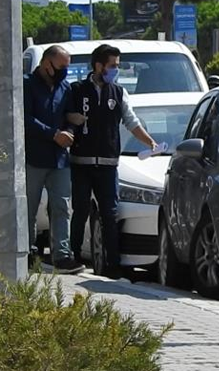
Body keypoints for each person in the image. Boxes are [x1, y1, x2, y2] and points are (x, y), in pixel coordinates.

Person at [66, 44, 158, 278]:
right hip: (81, 162)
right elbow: (63, 114)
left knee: (110, 214)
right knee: (80, 211)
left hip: (108, 164)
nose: (115, 70)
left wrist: (149, 142)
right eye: (113, 66)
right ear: (98, 65)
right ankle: (74, 256)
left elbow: (131, 121)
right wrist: (70, 119)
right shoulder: (77, 90)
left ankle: (113, 265)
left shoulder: (118, 93)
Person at [23, 45, 84, 274]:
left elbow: (68, 115)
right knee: (28, 207)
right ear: (47, 64)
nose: (64, 71)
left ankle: (62, 255)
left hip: (59, 158)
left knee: (61, 206)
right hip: (34, 156)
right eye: (61, 67)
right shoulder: (27, 85)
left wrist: (69, 131)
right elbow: (26, 119)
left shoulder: (64, 88)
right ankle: (28, 252)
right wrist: (53, 134)